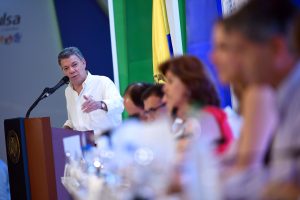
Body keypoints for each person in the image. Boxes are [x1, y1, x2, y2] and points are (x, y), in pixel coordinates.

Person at [221, 0, 300, 198]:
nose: (236, 61)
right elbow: (277, 181)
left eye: (242, 50)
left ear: (276, 49)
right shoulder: (283, 97)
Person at [58, 47, 124, 135]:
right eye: (66, 68)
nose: (71, 70)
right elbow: (73, 119)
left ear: (83, 63)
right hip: (83, 145)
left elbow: (120, 105)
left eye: (74, 65)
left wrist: (100, 104)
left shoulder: (102, 81)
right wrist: (64, 129)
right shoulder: (68, 91)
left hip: (106, 143)